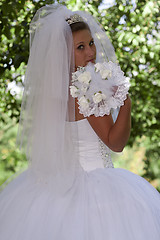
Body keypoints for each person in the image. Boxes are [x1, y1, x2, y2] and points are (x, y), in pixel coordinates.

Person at [0, 4, 160, 240]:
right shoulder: (85, 90)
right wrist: (125, 104)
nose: (90, 52)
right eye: (80, 47)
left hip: (56, 188)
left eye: (91, 43)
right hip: (98, 188)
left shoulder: (55, 94)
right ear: (64, 53)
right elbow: (115, 143)